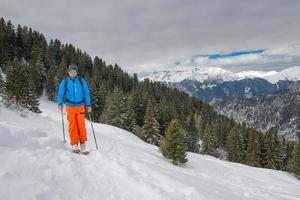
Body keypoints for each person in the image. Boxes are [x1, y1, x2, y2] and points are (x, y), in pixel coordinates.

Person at [57, 64, 92, 155]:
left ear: (77, 72)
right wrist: (60, 103)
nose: (73, 74)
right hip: (70, 106)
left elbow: (86, 93)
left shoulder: (81, 81)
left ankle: (83, 144)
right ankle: (75, 144)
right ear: (68, 72)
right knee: (72, 126)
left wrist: (88, 105)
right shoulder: (65, 82)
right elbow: (61, 93)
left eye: (74, 72)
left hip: (80, 106)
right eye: (71, 72)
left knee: (81, 126)